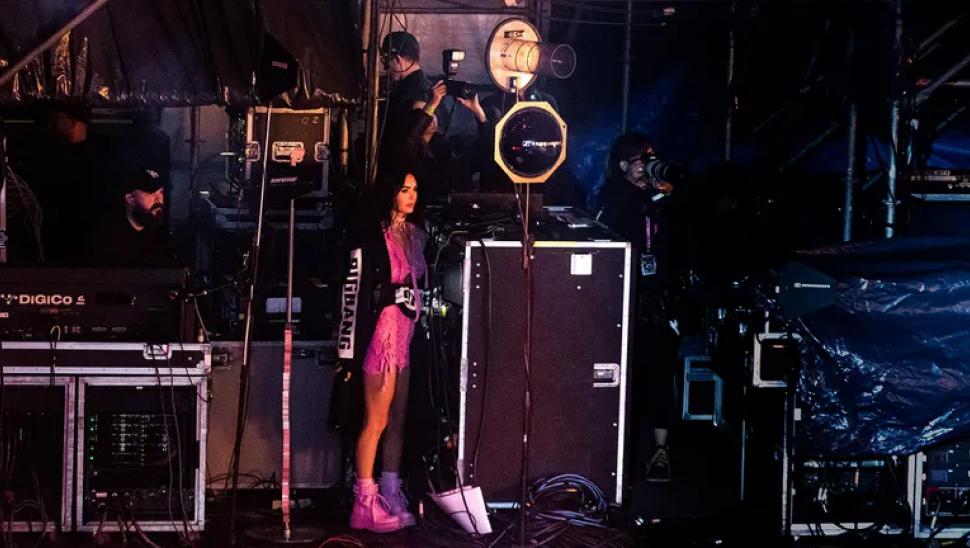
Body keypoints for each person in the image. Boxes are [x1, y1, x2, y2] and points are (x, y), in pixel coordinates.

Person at [337, 162, 428, 532]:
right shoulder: (375, 235)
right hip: (383, 331)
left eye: (415, 190)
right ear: (390, 192)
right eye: (405, 189)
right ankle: (364, 500)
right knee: (376, 418)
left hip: (406, 329)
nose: (411, 197)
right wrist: (347, 352)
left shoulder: (416, 234)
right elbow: (355, 288)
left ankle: (390, 489)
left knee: (398, 419)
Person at [596, 132, 687, 483]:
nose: (648, 166)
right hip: (624, 302)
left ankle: (661, 452)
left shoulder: (662, 199)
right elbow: (604, 228)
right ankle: (617, 457)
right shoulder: (615, 196)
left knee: (662, 377)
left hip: (660, 301)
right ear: (623, 165)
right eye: (641, 160)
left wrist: (667, 193)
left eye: (652, 158)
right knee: (626, 379)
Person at [85, 166, 176, 268]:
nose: (159, 199)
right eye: (150, 193)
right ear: (131, 199)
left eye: (161, 192)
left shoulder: (161, 238)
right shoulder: (108, 239)